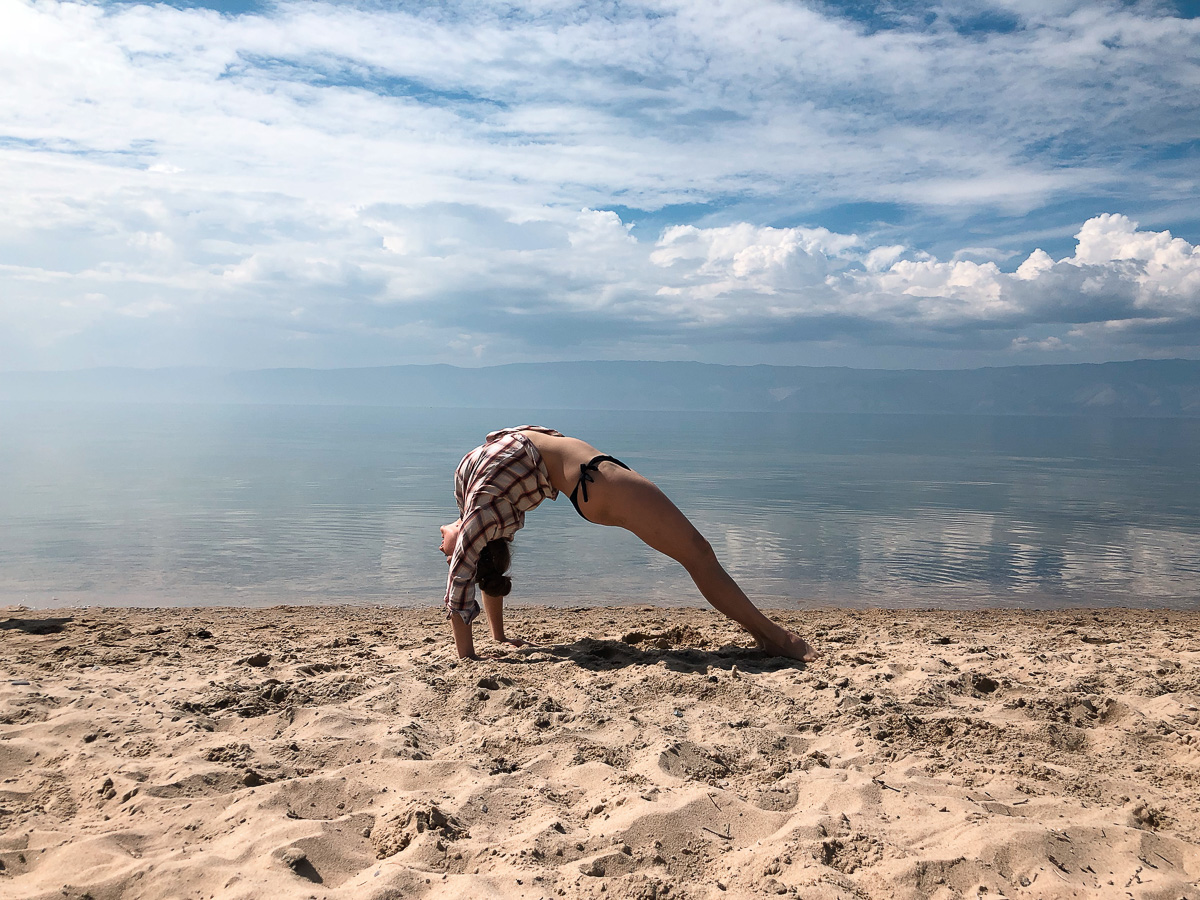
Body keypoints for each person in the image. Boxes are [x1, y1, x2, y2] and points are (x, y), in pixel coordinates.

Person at [439, 426, 819, 663]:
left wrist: (499, 637)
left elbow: (485, 569)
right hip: (595, 481)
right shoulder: (480, 514)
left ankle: (764, 634)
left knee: (697, 554)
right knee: (699, 554)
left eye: (449, 548)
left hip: (596, 478)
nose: (442, 545)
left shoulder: (471, 496)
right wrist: (466, 656)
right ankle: (775, 638)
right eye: (453, 549)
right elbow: (461, 579)